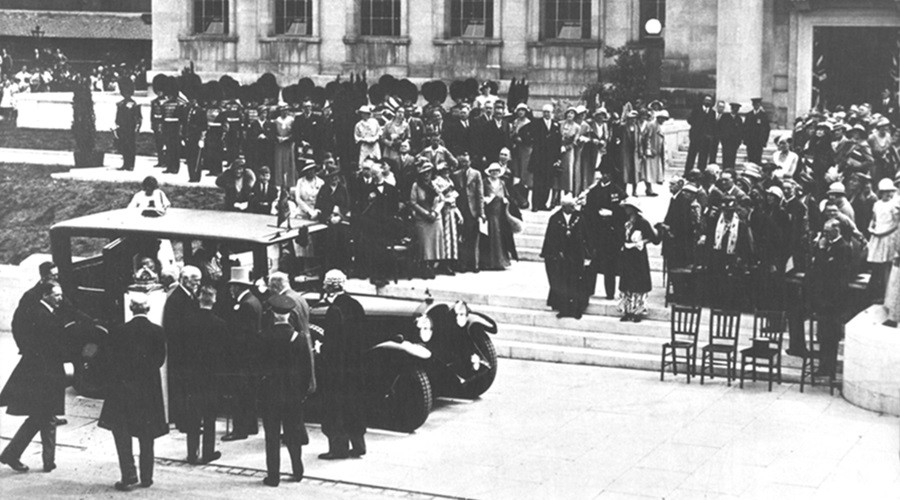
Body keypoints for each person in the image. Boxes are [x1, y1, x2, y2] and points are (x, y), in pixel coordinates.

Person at [97, 294, 167, 491]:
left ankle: (128, 475)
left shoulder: (119, 331)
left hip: (123, 389)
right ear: (148, 309)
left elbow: (110, 361)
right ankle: (147, 476)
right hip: (148, 390)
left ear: (131, 308)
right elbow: (159, 360)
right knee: (147, 434)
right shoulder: (158, 331)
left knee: (122, 433)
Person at [0, 282, 67, 473]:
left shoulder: (41, 313)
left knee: (44, 417)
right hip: (44, 375)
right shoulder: (44, 317)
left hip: (41, 373)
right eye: (57, 295)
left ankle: (41, 459)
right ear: (45, 295)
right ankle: (16, 455)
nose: (60, 299)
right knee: (45, 416)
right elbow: (54, 346)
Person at [259, 294, 314, 486]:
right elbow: (306, 370)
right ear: (290, 314)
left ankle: (273, 476)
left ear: (273, 314)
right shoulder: (298, 338)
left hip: (270, 393)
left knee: (272, 436)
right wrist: (301, 392)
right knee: (293, 433)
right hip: (292, 394)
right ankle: (297, 470)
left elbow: (258, 367)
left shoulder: (264, 337)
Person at [319, 270, 368, 459]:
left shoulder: (334, 311)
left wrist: (321, 348)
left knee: (336, 408)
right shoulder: (356, 305)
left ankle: (338, 448)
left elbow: (332, 344)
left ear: (330, 287)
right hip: (355, 367)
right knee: (354, 406)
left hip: (338, 369)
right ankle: (358, 445)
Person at [180, 285, 224, 465]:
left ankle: (192, 453)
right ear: (214, 300)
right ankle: (207, 452)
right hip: (211, 376)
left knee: (193, 416)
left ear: (199, 299)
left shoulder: (187, 321)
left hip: (192, 375)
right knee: (209, 417)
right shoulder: (220, 324)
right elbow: (224, 353)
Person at [807, 219, 851, 376]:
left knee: (831, 337)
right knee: (822, 335)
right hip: (823, 299)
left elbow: (830, 270)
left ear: (836, 230)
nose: (824, 234)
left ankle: (829, 368)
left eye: (827, 231)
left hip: (833, 300)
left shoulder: (843, 247)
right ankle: (823, 367)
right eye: (824, 231)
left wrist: (822, 251)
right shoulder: (828, 246)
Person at [223, 266, 262, 441]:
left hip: (243, 357)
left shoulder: (245, 305)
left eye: (232, 286)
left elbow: (241, 335)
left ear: (237, 287)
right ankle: (251, 425)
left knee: (240, 393)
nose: (231, 290)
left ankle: (240, 429)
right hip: (252, 356)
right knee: (249, 392)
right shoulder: (254, 300)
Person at [163, 265, 200, 444]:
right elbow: (173, 328)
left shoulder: (188, 295)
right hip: (181, 352)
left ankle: (188, 419)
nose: (198, 284)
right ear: (185, 280)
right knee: (182, 387)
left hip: (188, 351)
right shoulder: (176, 299)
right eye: (195, 281)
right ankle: (184, 421)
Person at [542, 194, 589, 319]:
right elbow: (550, 238)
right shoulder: (555, 218)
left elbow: (586, 235)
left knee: (576, 282)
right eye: (571, 206)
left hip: (576, 255)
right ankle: (564, 309)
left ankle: (576, 309)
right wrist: (556, 253)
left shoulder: (579, 217)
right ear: (564, 207)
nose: (574, 208)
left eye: (574, 205)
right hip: (561, 257)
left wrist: (588, 254)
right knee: (562, 283)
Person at [703, 197, 753, 310]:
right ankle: (716, 303)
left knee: (730, 282)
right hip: (717, 254)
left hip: (732, 256)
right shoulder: (715, 222)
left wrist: (741, 257)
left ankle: (730, 304)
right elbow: (710, 240)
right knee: (716, 279)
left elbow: (745, 244)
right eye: (725, 211)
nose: (727, 214)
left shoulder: (740, 225)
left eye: (730, 211)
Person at [583, 170, 626, 299]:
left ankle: (610, 292)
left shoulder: (617, 191)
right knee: (592, 264)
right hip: (595, 233)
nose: (604, 176)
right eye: (603, 174)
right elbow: (587, 211)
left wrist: (612, 214)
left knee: (610, 266)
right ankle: (589, 290)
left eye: (607, 174)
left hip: (610, 234)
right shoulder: (593, 191)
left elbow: (625, 211)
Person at [618, 198, 659, 322]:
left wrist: (641, 242)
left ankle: (638, 312)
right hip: (627, 255)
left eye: (627, 207)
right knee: (627, 282)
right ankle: (627, 311)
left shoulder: (642, 222)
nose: (625, 209)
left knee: (638, 282)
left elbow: (654, 238)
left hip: (638, 257)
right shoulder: (625, 221)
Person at [314, 164, 352, 275]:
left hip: (340, 222)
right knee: (327, 245)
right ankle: (327, 270)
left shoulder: (342, 189)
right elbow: (319, 205)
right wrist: (327, 217)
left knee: (341, 244)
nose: (335, 179)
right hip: (327, 222)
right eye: (332, 177)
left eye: (336, 177)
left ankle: (341, 269)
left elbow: (347, 205)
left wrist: (339, 217)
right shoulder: (324, 189)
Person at [867, 178, 900, 302]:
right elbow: (874, 219)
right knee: (878, 267)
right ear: (880, 192)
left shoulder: (894, 205)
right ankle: (879, 293)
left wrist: (883, 233)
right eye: (885, 191)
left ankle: (888, 296)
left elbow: (895, 224)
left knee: (888, 266)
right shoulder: (877, 204)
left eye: (890, 191)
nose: (888, 194)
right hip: (878, 235)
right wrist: (871, 228)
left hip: (888, 236)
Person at [409, 162, 444, 278]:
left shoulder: (435, 185)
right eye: (424, 173)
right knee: (425, 244)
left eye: (429, 172)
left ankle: (433, 266)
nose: (427, 175)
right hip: (422, 218)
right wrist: (425, 213)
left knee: (435, 243)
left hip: (435, 217)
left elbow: (442, 200)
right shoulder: (416, 186)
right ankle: (424, 267)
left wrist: (435, 212)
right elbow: (413, 202)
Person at [452, 152, 484, 273]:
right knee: (462, 238)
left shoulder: (476, 174)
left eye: (467, 162)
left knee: (474, 238)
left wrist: (481, 213)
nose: (465, 164)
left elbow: (480, 194)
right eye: (462, 162)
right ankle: (463, 264)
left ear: (470, 162)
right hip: (461, 210)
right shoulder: (456, 175)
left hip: (473, 210)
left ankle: (475, 265)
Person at [529, 104, 562, 211]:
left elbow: (558, 143)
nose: (547, 114)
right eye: (545, 112)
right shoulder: (536, 123)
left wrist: (558, 158)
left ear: (552, 113)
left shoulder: (556, 125)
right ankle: (535, 204)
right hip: (539, 157)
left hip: (550, 158)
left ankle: (543, 204)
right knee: (537, 182)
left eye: (549, 112)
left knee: (547, 182)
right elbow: (525, 132)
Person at [481, 162, 512, 270]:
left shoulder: (502, 183)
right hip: (490, 211)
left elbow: (506, 195)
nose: (494, 173)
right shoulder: (485, 182)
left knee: (499, 237)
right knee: (489, 236)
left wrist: (505, 200)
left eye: (497, 171)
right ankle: (489, 262)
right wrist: (487, 199)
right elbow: (481, 195)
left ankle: (500, 261)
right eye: (492, 171)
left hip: (500, 212)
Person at [114, 78, 141, 171]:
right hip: (122, 128)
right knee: (124, 146)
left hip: (130, 128)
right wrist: (117, 125)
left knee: (130, 146)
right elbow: (117, 117)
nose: (125, 94)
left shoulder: (134, 104)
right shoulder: (120, 104)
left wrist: (137, 127)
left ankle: (130, 164)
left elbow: (138, 117)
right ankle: (125, 163)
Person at [640, 109, 668, 196]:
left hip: (658, 152)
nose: (663, 121)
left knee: (654, 171)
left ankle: (650, 188)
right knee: (648, 171)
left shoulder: (660, 126)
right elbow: (646, 137)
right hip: (651, 152)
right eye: (662, 118)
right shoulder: (651, 125)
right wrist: (649, 149)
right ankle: (649, 189)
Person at [685, 95, 716, 172]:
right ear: (703, 101)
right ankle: (687, 172)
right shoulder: (696, 110)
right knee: (691, 156)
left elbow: (712, 125)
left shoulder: (712, 112)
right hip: (695, 137)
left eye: (709, 101)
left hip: (705, 139)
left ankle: (701, 173)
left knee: (703, 157)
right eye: (706, 100)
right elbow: (690, 120)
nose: (708, 102)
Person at [272, 105, 296, 188]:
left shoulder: (292, 120)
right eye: (282, 110)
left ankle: (290, 183)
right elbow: (273, 133)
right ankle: (279, 183)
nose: (284, 112)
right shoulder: (277, 121)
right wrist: (277, 137)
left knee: (289, 163)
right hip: (279, 144)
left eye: (286, 110)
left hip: (288, 144)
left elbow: (295, 132)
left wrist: (287, 138)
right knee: (279, 162)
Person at [744, 97, 771, 164]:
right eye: (755, 104)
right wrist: (745, 140)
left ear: (760, 105)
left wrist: (764, 141)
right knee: (750, 158)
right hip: (750, 142)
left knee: (758, 159)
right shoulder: (749, 115)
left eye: (758, 104)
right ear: (752, 105)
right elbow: (745, 128)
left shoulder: (763, 115)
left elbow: (767, 129)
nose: (756, 106)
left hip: (759, 142)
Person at [718, 102, 744, 171]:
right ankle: (725, 171)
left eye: (737, 109)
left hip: (734, 143)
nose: (736, 110)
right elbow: (720, 128)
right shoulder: (725, 117)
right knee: (725, 157)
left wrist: (738, 142)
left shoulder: (739, 119)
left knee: (732, 158)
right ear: (731, 109)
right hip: (726, 142)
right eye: (734, 108)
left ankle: (731, 172)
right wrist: (722, 139)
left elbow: (741, 131)